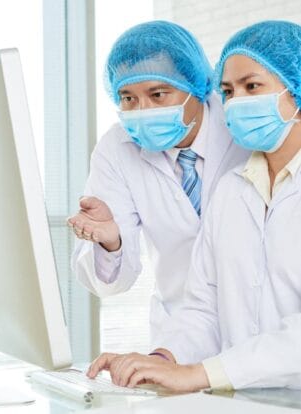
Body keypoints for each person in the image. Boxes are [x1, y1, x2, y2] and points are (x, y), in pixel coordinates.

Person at [87, 20, 301, 392]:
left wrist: (198, 374)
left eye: (252, 87)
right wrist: (160, 361)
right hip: (242, 395)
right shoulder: (234, 191)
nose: (236, 103)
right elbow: (205, 307)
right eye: (228, 91)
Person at [68, 20, 248, 350]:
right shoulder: (116, 149)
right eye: (128, 98)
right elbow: (109, 284)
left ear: (195, 86)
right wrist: (111, 241)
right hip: (179, 336)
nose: (142, 112)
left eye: (158, 94)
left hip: (258, 329)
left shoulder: (244, 128)